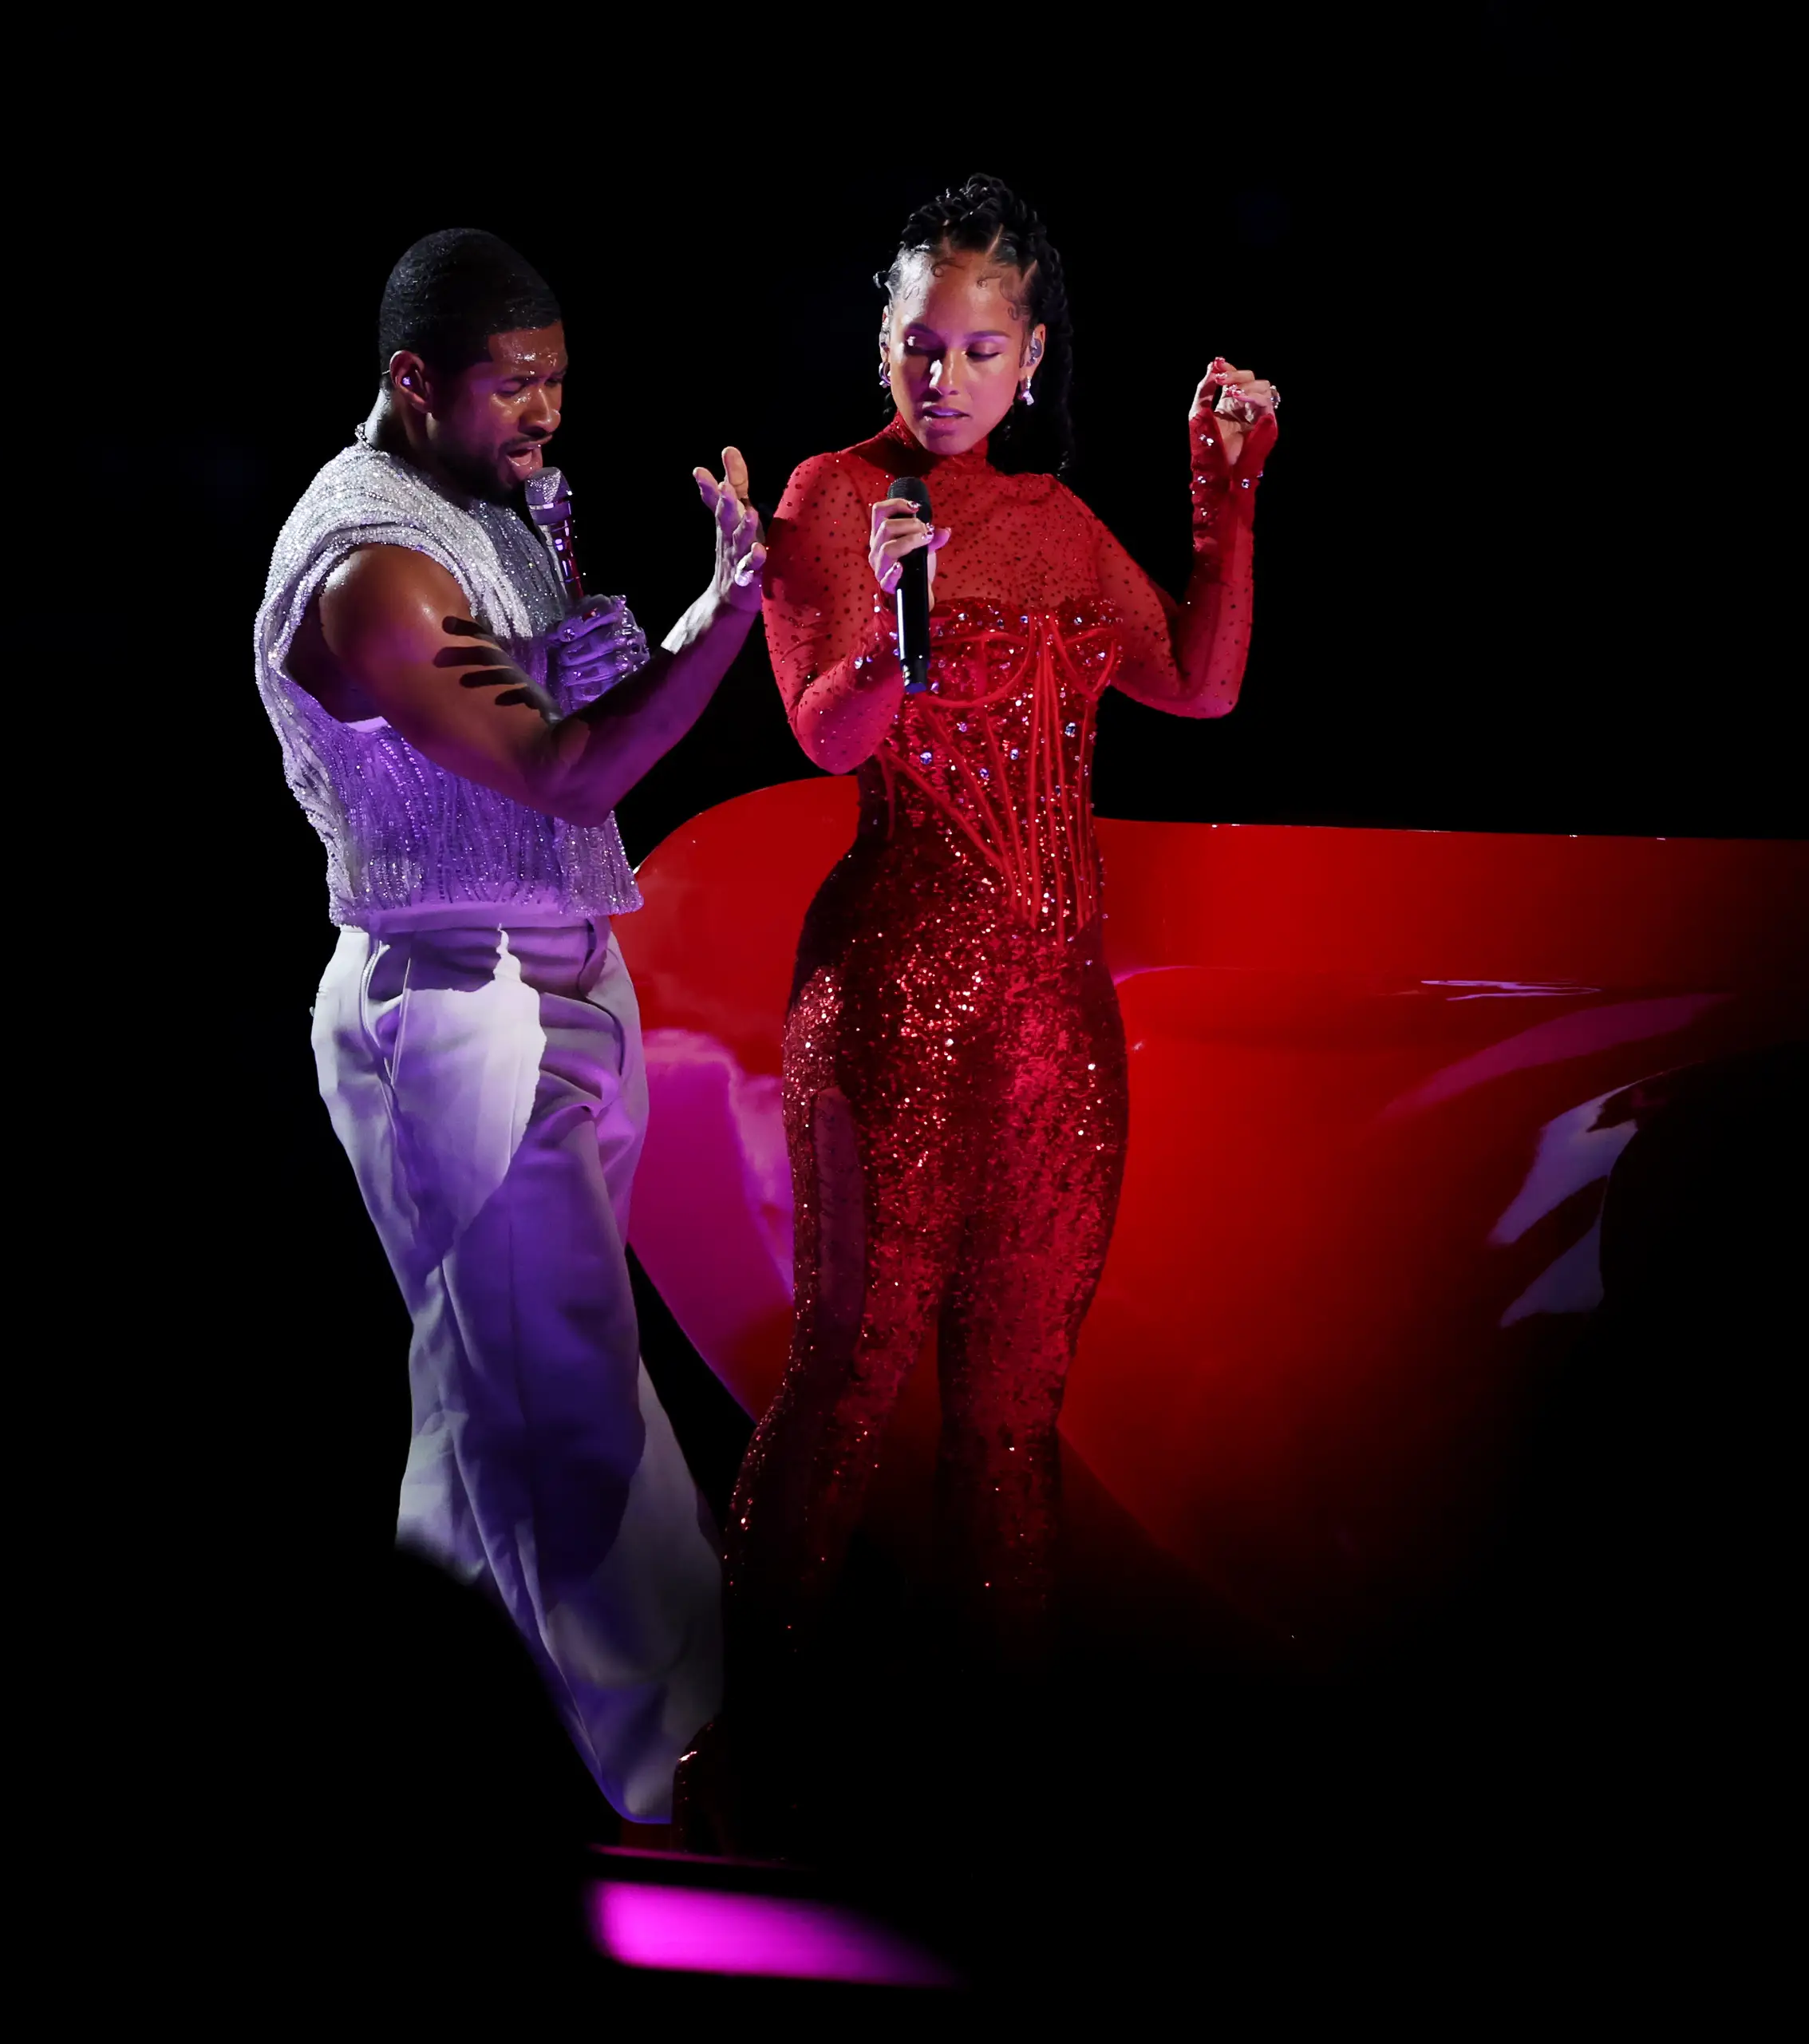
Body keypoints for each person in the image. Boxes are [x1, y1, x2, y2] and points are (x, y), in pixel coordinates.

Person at [684, 177, 1280, 1845]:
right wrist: (902, 611)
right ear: (884, 337)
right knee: (855, 1373)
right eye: (919, 342)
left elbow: (1202, 684)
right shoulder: (832, 494)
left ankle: (998, 1793)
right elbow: (827, 733)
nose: (943, 373)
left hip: (1052, 1018)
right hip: (891, 993)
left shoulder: (1066, 521)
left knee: (1016, 1419)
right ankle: (759, 1758)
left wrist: (1224, 502)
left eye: (979, 348)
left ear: (1029, 360)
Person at [251, 228, 765, 1824]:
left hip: (557, 978)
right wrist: (719, 623)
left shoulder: (479, 508)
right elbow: (560, 771)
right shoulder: (367, 571)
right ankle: (688, 1774)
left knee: (486, 1409)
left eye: (557, 378)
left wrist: (572, 652)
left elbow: (538, 710)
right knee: (567, 1404)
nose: (545, 410)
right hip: (455, 1006)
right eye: (511, 384)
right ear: (415, 382)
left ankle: (422, 1758)